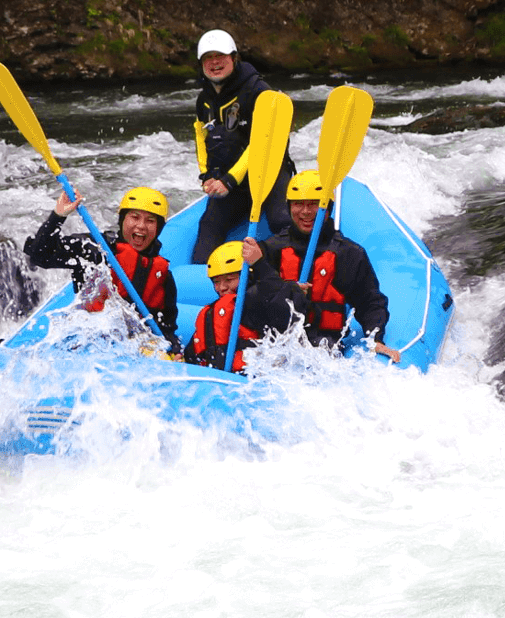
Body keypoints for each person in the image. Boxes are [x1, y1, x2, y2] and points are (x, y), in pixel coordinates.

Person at [253, 170, 399, 363]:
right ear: (289, 207)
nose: (305, 212)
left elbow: (370, 301)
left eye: (314, 204)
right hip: (277, 344)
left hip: (324, 347)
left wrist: (376, 337)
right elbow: (253, 300)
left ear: (327, 208)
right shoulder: (271, 249)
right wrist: (287, 289)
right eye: (298, 204)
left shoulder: (348, 253)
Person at [24, 186, 182, 352]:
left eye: (150, 221)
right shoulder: (96, 249)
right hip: (86, 341)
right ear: (122, 220)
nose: (141, 226)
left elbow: (167, 329)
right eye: (134, 217)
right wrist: (58, 215)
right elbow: (40, 256)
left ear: (159, 228)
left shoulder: (162, 275)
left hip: (132, 348)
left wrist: (174, 350)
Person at [191, 28, 296, 261]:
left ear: (234, 58)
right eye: (209, 57)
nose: (215, 62)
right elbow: (201, 136)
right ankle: (204, 283)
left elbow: (262, 142)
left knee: (281, 219)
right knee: (209, 225)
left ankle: (290, 276)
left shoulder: (258, 91)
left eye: (221, 56)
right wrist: (207, 175)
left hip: (269, 172)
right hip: (231, 180)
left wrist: (229, 180)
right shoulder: (204, 99)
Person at [187, 239, 308, 374]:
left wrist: (261, 266)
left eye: (229, 280)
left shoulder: (255, 302)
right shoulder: (212, 312)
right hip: (222, 380)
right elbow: (193, 352)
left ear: (249, 277)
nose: (222, 287)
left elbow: (281, 308)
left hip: (254, 380)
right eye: (216, 282)